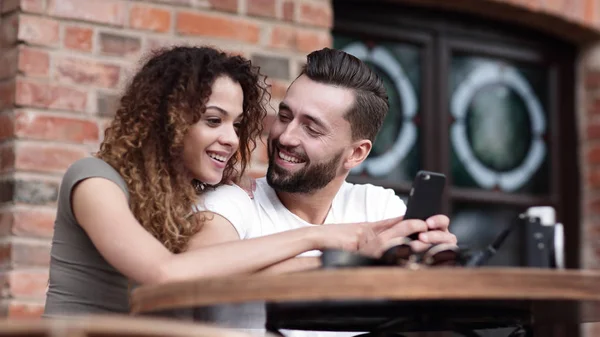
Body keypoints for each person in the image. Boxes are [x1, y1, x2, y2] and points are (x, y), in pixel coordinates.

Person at [43, 45, 412, 317]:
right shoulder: (94, 182)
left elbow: (219, 282)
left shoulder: (188, 196)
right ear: (169, 119)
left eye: (236, 125)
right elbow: (164, 274)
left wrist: (335, 262)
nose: (233, 140)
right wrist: (317, 238)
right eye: (213, 120)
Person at [195, 47, 457, 272]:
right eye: (285, 117)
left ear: (356, 154)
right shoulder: (233, 203)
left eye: (311, 128)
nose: (286, 137)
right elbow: (198, 277)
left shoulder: (375, 207)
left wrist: (435, 260)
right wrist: (351, 262)